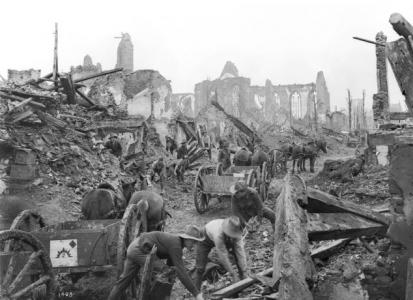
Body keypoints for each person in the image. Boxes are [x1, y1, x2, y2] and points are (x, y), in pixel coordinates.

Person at [108, 227, 205, 300]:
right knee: (166, 273)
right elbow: (180, 271)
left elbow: (173, 265)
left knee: (123, 281)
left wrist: (177, 273)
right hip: (139, 250)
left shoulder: (176, 243)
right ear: (187, 239)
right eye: (194, 242)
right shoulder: (176, 245)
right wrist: (196, 293)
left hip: (135, 247)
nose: (194, 245)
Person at [194, 216, 248, 289]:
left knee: (236, 256)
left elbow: (240, 252)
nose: (233, 237)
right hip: (205, 237)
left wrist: (244, 270)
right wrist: (233, 274)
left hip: (223, 237)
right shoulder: (218, 235)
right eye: (231, 235)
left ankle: (243, 278)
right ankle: (196, 290)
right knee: (200, 267)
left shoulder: (237, 233)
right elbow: (223, 256)